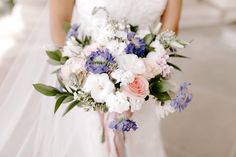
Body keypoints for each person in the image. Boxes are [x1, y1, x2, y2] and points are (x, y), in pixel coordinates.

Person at [0, 0, 182, 156]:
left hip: (142, 84)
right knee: (93, 145)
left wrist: (142, 76)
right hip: (89, 83)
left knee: (140, 144)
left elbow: (170, 29)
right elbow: (59, 22)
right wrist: (88, 80)